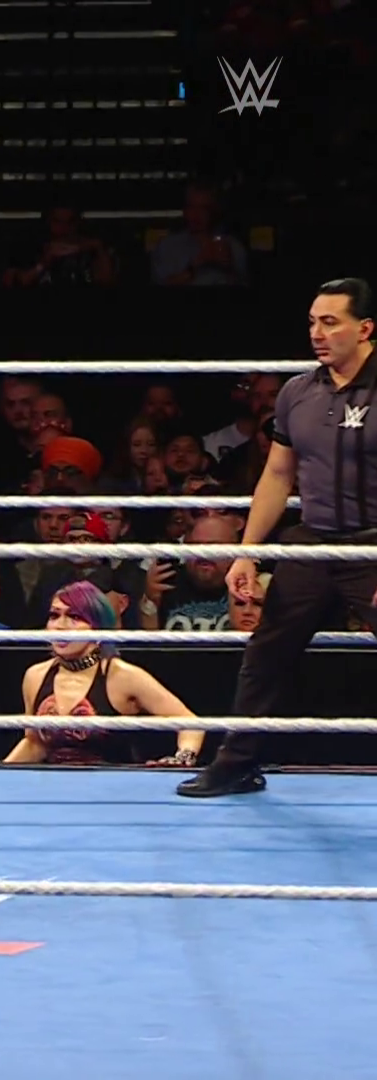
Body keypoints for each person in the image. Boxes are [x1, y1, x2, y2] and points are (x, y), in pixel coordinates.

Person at [180, 278, 377, 797]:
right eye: (312, 322)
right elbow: (277, 474)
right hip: (312, 543)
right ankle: (237, 763)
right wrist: (248, 553)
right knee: (265, 652)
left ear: (365, 329)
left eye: (330, 322)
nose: (317, 333)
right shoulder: (297, 392)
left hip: (373, 547)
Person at [7, 581, 204, 766]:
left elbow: (190, 723)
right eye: (54, 615)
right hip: (53, 784)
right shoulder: (36, 675)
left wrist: (182, 759)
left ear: (98, 627)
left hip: (113, 785)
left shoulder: (122, 676)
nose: (60, 625)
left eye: (75, 617)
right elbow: (34, 743)